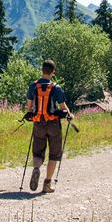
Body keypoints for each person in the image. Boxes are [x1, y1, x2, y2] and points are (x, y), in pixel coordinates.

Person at [24, 59, 73, 193]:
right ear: (53, 72)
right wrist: (69, 115)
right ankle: (47, 184)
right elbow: (63, 107)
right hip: (53, 124)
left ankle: (36, 168)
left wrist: (31, 114)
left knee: (38, 151)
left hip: (38, 123)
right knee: (54, 154)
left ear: (42, 70)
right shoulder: (56, 88)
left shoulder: (33, 86)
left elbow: (29, 106)